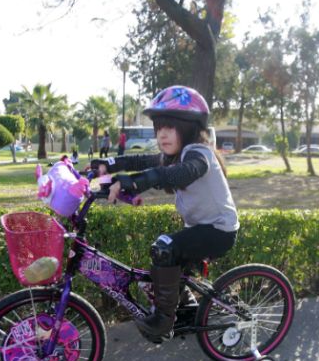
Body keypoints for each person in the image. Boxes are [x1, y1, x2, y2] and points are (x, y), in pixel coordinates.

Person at [89, 86, 238, 344]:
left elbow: (182, 173)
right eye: (158, 128)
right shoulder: (174, 155)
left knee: (165, 248)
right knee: (163, 262)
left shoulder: (199, 154)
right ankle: (187, 309)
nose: (162, 134)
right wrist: (109, 165)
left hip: (219, 231)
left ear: (189, 128)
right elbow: (141, 161)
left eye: (170, 127)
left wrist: (134, 183)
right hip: (201, 229)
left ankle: (162, 322)